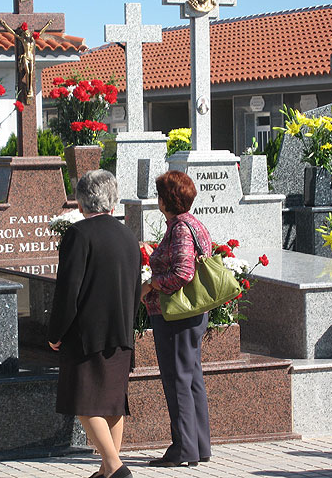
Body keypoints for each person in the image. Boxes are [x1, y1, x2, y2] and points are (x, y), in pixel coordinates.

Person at [48, 170, 141, 478]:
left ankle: (115, 468)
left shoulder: (79, 234)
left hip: (87, 335)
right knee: (113, 404)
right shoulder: (128, 235)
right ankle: (105, 471)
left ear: (81, 200)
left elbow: (68, 290)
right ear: (111, 199)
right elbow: (135, 287)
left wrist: (56, 331)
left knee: (85, 403)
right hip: (121, 331)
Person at [141, 170, 212, 467]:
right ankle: (199, 446)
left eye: (159, 195)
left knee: (177, 380)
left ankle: (183, 448)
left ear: (165, 200)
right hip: (192, 314)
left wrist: (151, 285)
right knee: (191, 378)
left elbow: (183, 272)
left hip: (176, 315)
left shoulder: (181, 228)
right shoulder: (192, 223)